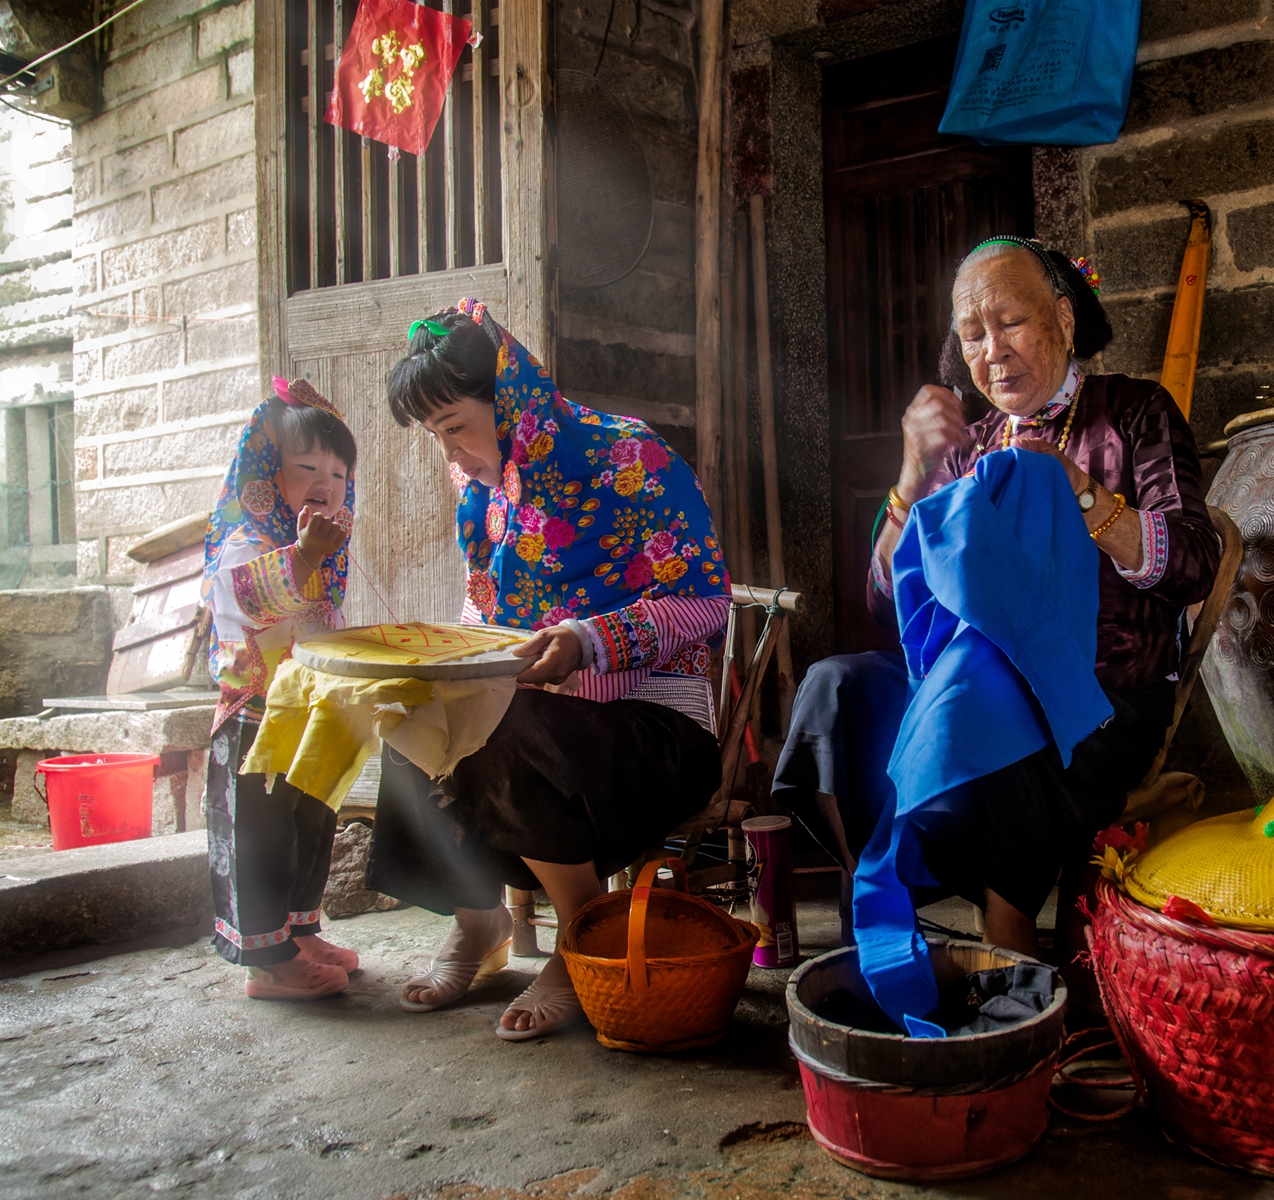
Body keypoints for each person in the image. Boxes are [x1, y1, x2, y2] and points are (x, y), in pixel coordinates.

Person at [773, 236, 1222, 958]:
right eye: (973, 334)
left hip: (1103, 695)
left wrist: (1080, 492)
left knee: (999, 701)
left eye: (1009, 321)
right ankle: (883, 911)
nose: (992, 350)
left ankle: (1006, 952)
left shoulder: (1133, 414)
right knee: (836, 690)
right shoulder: (965, 446)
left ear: (1065, 321)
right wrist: (913, 471)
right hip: (960, 684)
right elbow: (887, 598)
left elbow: (1195, 563)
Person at [366, 299, 728, 1040]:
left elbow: (707, 603)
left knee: (508, 724)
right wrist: (451, 664)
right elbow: (485, 618)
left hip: (655, 732)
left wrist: (588, 640)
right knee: (409, 712)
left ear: (511, 405)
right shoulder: (487, 499)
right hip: (547, 734)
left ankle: (579, 931)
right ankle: (479, 921)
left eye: (457, 429)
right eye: (437, 439)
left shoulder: (631, 458)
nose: (452, 456)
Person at [201, 377, 362, 1000]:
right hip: (256, 715)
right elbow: (246, 599)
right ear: (268, 476)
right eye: (306, 467)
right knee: (260, 832)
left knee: (311, 823)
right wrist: (299, 558)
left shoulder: (328, 549)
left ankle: (300, 930)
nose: (326, 481)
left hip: (308, 711)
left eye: (340, 473)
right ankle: (267, 961)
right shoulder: (247, 543)